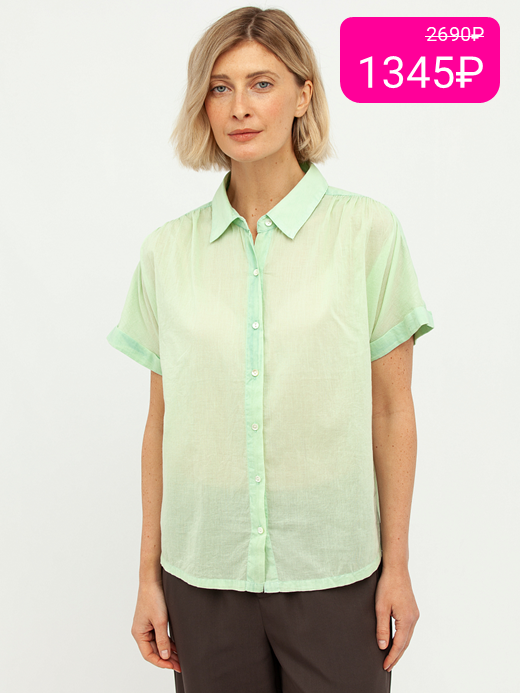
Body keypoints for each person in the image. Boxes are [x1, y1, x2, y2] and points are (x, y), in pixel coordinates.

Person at [106, 6, 434, 693]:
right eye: (220, 88)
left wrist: (397, 567)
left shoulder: (367, 233)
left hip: (335, 571)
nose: (240, 107)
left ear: (303, 94)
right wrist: (147, 577)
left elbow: (391, 411)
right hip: (203, 576)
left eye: (262, 83)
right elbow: (161, 422)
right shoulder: (167, 251)